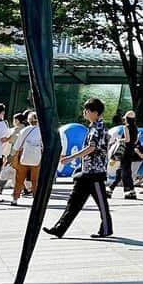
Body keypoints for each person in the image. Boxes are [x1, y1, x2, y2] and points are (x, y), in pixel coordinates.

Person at [43, 97, 113, 239]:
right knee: (74, 202)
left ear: (94, 112)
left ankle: (106, 229)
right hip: (86, 172)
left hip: (95, 172)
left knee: (101, 203)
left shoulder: (98, 128)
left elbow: (91, 147)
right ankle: (59, 228)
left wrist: (71, 157)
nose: (84, 113)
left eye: (86, 110)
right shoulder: (93, 127)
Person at [10, 111, 43, 206]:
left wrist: (12, 156)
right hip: (37, 157)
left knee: (19, 179)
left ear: (29, 120)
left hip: (23, 157)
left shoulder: (24, 130)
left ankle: (15, 199)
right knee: (35, 180)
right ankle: (36, 200)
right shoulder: (42, 130)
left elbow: (17, 146)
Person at [108, 111, 140, 199]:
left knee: (125, 172)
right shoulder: (135, 128)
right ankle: (111, 189)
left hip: (125, 151)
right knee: (121, 171)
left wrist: (119, 140)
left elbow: (127, 139)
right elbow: (135, 141)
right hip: (131, 151)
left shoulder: (126, 127)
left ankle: (130, 191)